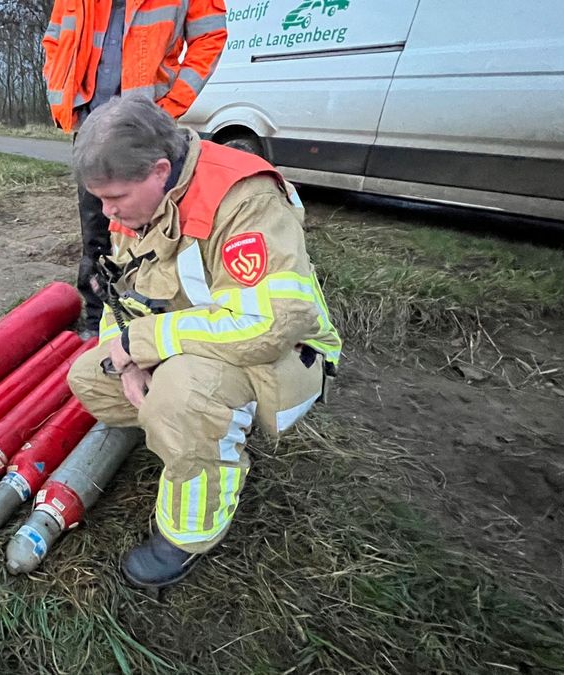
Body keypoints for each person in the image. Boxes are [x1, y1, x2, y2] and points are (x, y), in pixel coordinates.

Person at [65, 97, 342, 589]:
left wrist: (146, 343)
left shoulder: (243, 199)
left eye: (116, 198)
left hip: (285, 353)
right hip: (198, 337)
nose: (106, 213)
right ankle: (193, 433)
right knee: (90, 375)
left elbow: (271, 324)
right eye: (100, 200)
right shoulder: (137, 203)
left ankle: (191, 532)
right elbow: (119, 298)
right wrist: (128, 362)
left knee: (183, 398)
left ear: (160, 170)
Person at [41, 0, 227, 334]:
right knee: (98, 231)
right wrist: (60, 95)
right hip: (91, 124)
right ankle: (101, 320)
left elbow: (210, 36)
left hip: (144, 126)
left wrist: (171, 104)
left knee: (153, 227)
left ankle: (155, 317)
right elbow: (54, 39)